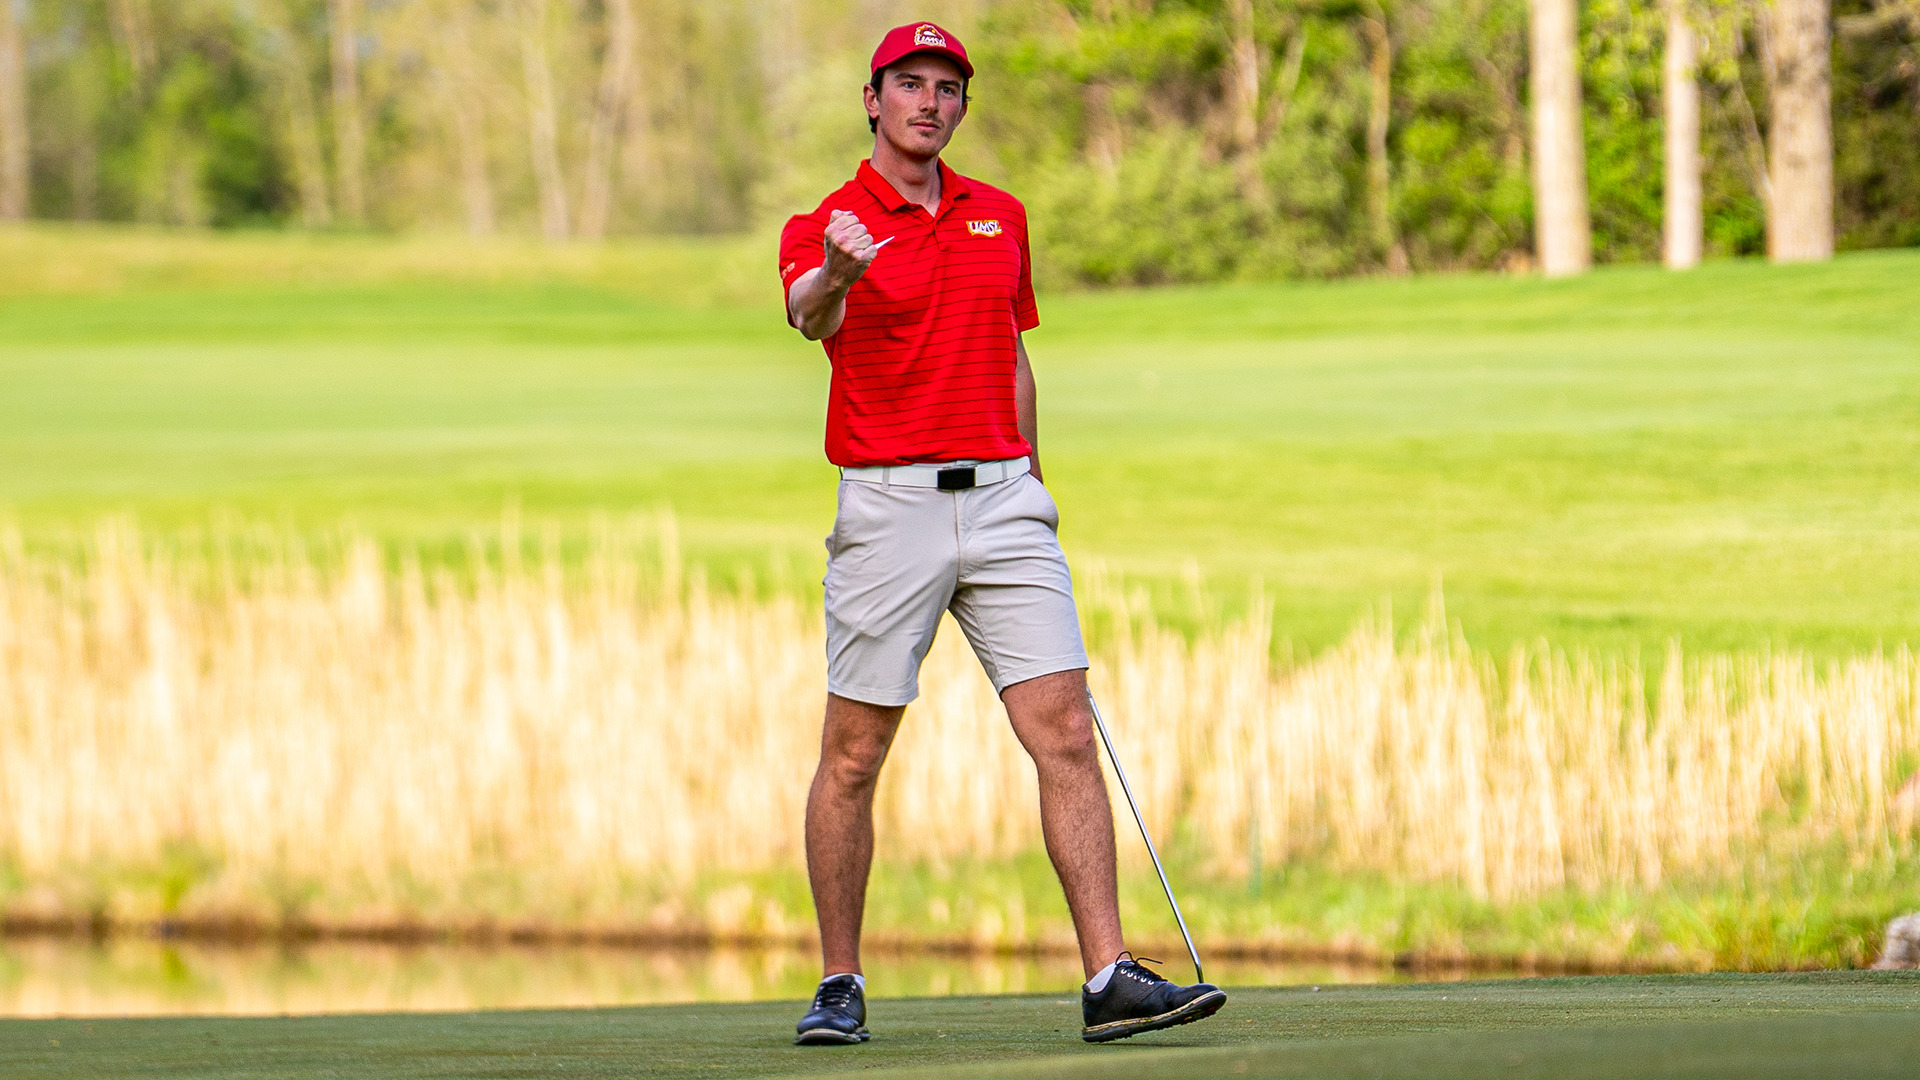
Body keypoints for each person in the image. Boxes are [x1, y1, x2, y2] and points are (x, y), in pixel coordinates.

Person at [777, 21, 1225, 1046]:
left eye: (947, 88)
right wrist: (842, 272)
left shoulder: (1002, 218)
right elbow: (808, 315)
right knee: (854, 751)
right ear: (873, 99)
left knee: (1064, 730)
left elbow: (1014, 354)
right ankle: (839, 983)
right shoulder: (827, 222)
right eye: (911, 85)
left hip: (1006, 501)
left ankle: (1108, 974)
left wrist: (1034, 484)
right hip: (890, 507)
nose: (930, 102)